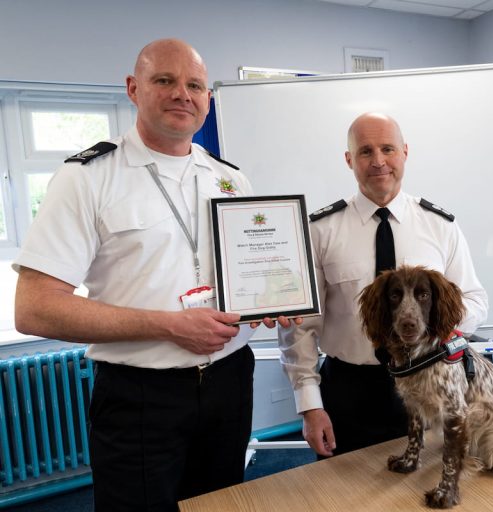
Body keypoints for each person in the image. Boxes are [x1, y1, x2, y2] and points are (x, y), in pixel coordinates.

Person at [13, 39, 298, 511]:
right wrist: (167, 325)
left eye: (195, 85)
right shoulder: (87, 178)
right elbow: (34, 308)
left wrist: (268, 302)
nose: (181, 94)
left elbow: (247, 272)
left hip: (229, 381)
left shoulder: (230, 179)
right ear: (133, 88)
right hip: (141, 393)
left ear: (207, 99)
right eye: (165, 80)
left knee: (220, 503)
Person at [278, 112, 488, 457]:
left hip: (428, 380)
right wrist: (310, 406)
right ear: (349, 160)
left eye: (388, 149)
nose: (379, 161)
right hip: (349, 389)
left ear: (405, 152)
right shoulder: (320, 230)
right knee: (344, 495)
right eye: (365, 151)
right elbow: (299, 327)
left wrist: (432, 330)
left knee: (423, 490)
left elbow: (474, 300)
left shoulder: (440, 225)